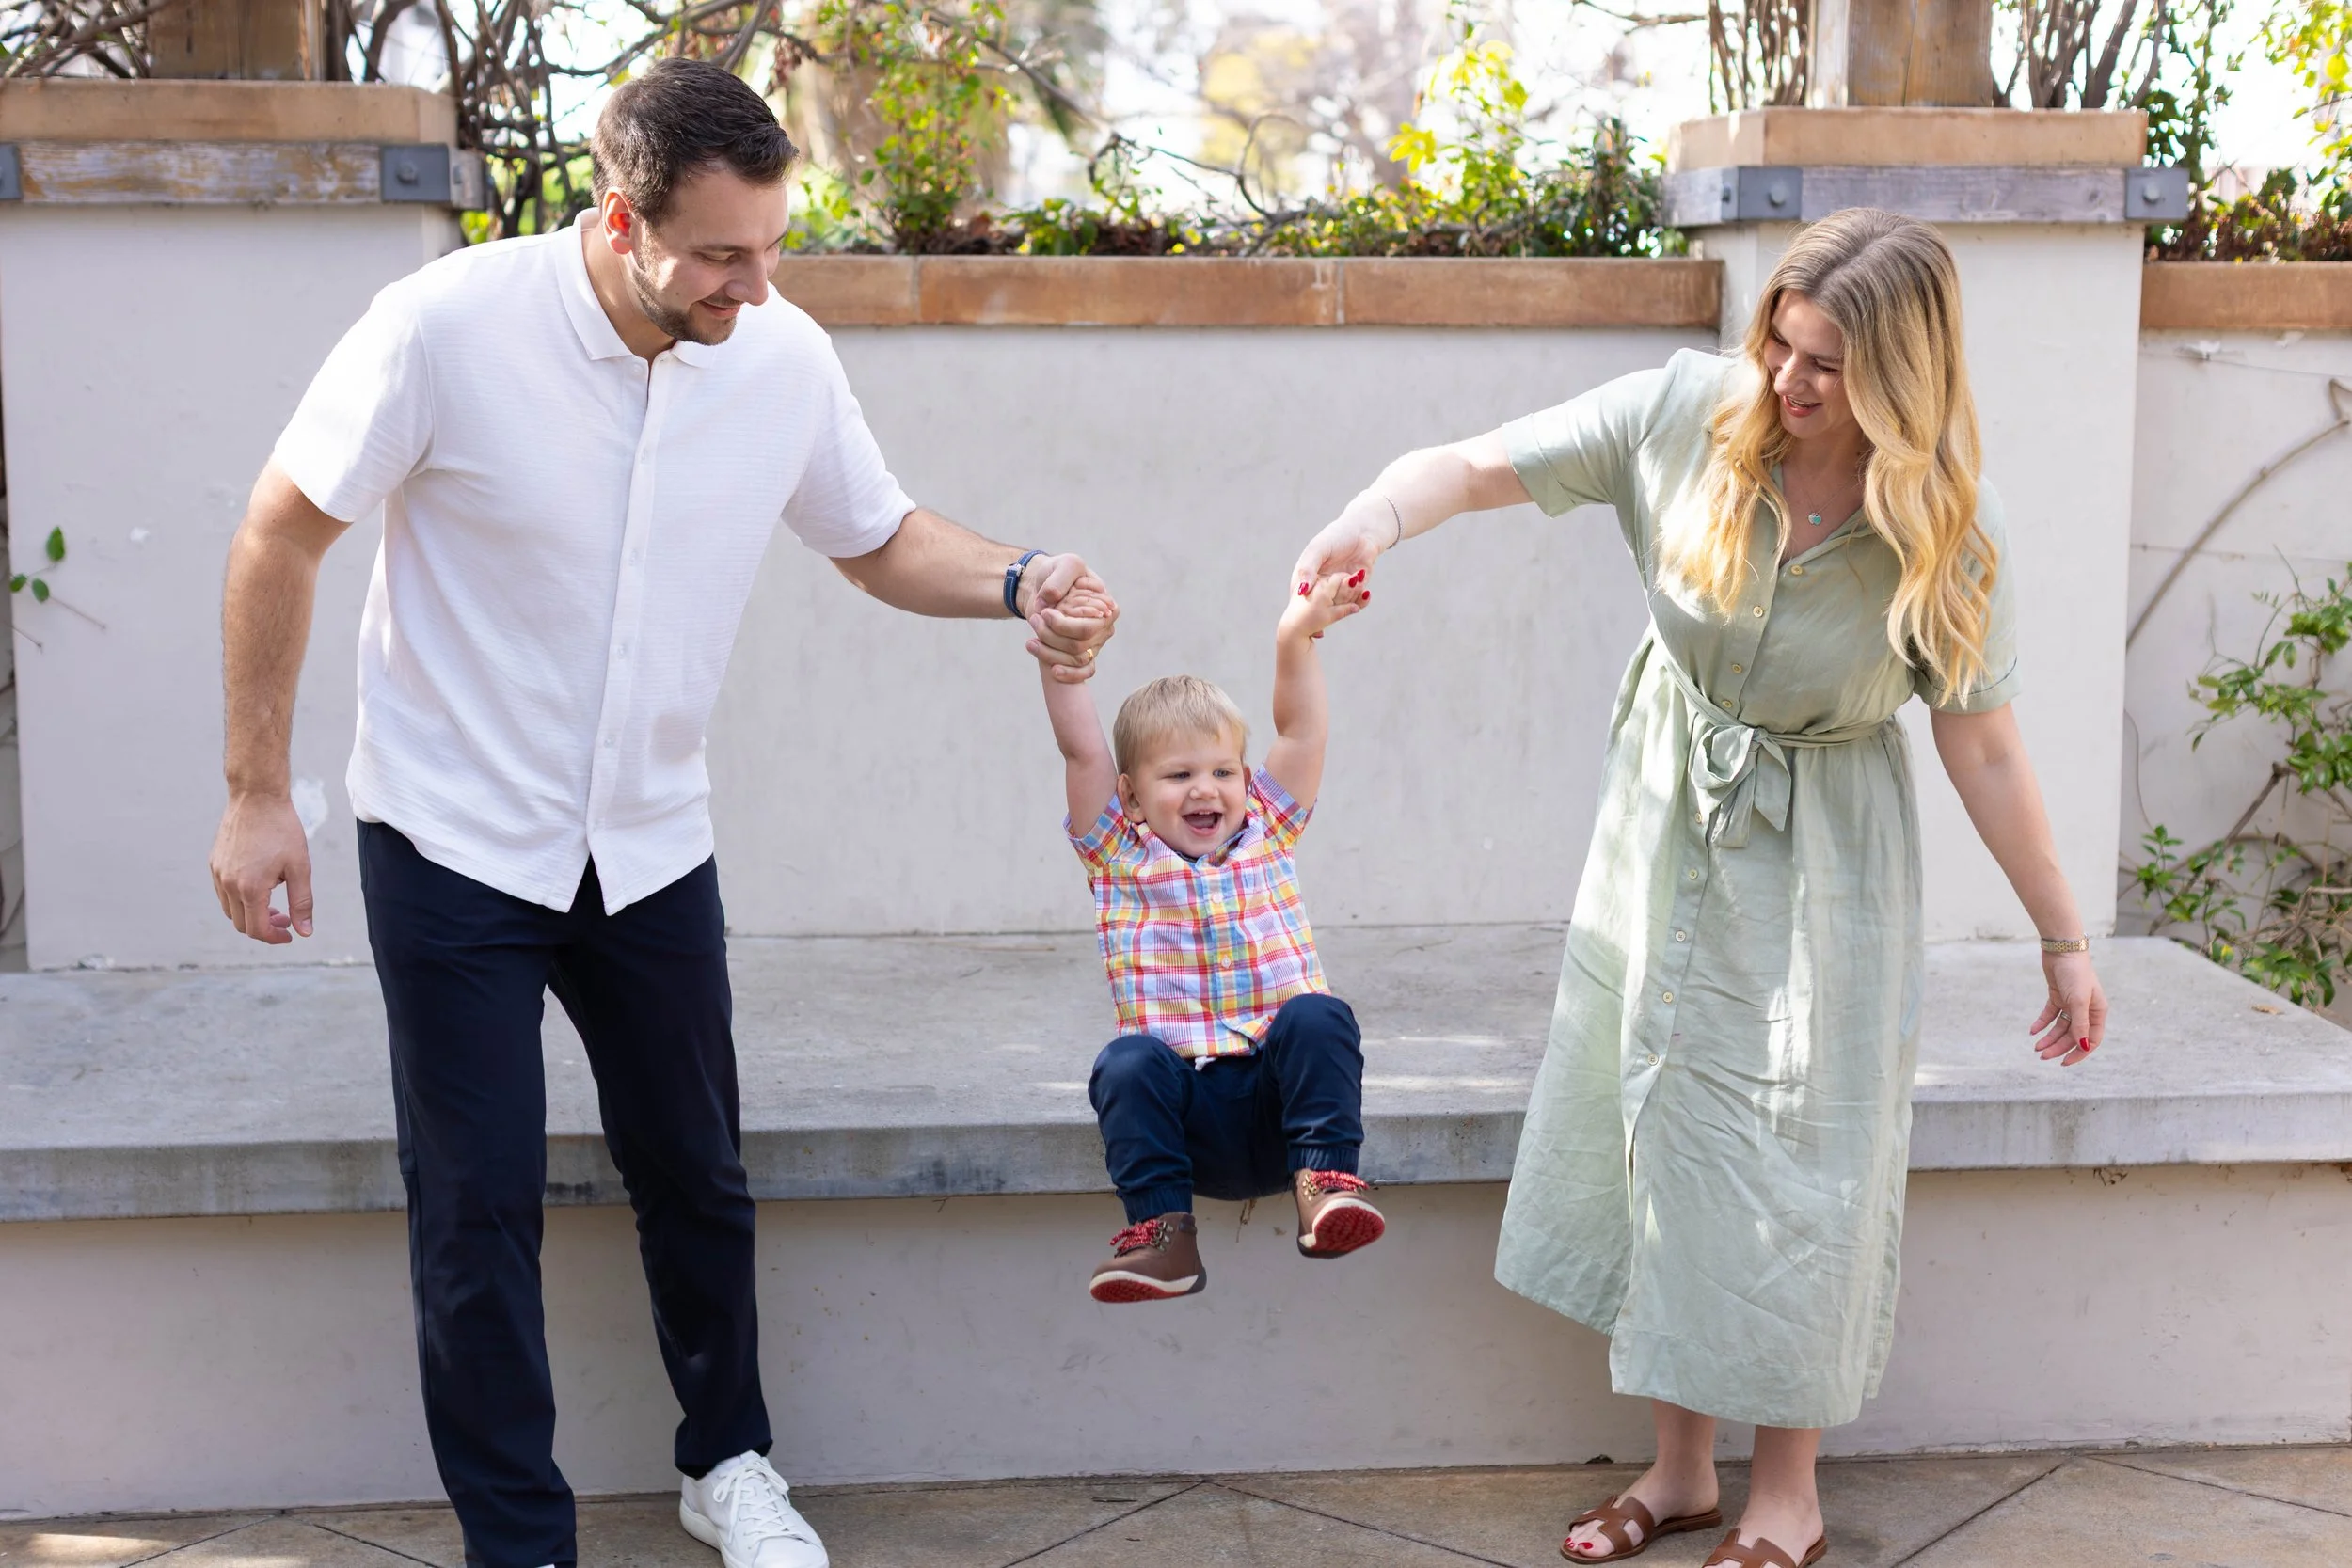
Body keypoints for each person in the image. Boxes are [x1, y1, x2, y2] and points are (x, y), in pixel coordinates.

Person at [205, 58, 1114, 1568]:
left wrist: (1028, 578)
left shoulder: (780, 350)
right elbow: (276, 530)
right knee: (476, 1201)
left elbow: (876, 535)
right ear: (620, 218)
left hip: (648, 838)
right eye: (719, 255)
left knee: (696, 1166)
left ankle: (728, 1460)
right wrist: (254, 793)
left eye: (772, 247)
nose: (755, 288)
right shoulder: (444, 330)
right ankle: (521, 1538)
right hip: (450, 837)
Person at [1287, 209, 2109, 1568]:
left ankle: (1787, 1492)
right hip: (1665, 818)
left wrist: (2063, 936)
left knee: (1798, 1154)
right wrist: (1363, 523)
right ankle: (1677, 1472)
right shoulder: (1687, 410)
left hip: (1826, 854)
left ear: (1907, 374)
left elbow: (1986, 738)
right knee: (1665, 1120)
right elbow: (1480, 465)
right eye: (1784, 342)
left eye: (1831, 364)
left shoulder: (1950, 526)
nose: (1791, 381)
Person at [1031, 572, 1387, 1303]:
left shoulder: (1269, 830)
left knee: (1319, 1014)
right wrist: (1062, 661)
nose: (1207, 789)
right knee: (1125, 1062)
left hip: (1280, 1108)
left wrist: (1297, 634)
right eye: (1179, 773)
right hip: (1187, 1116)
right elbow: (1082, 753)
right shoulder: (1116, 854)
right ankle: (1165, 1238)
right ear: (1131, 794)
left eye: (1224, 770)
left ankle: (1326, 1186)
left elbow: (1301, 730)